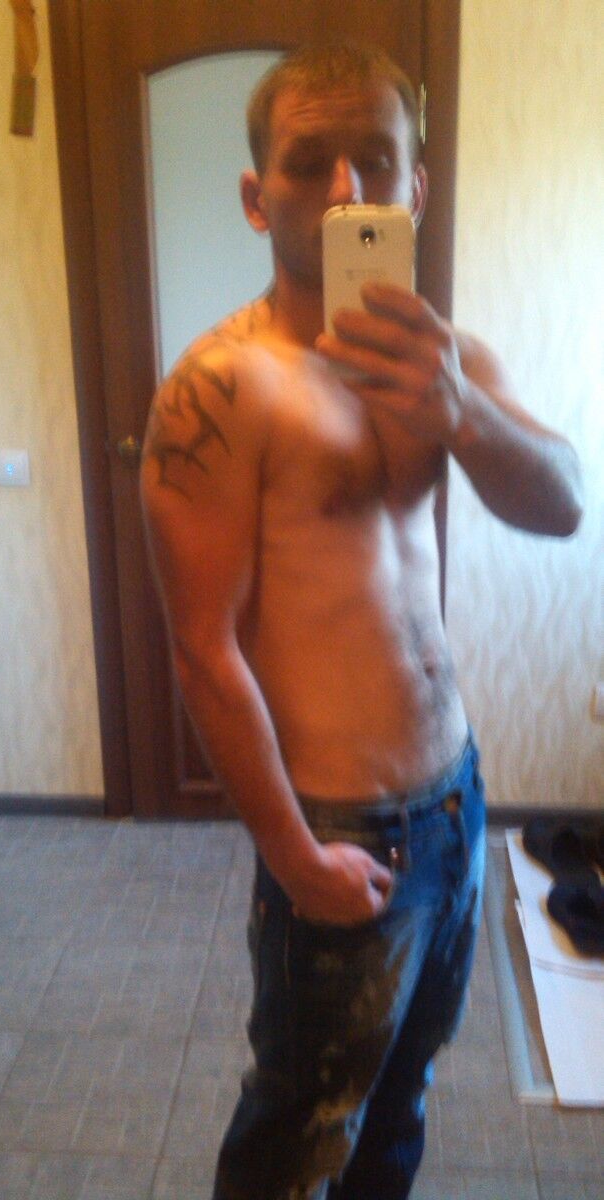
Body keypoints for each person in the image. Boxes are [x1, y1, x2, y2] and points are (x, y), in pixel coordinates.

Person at [140, 43, 583, 1200]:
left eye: (375, 161)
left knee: (401, 1100)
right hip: (339, 826)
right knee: (300, 1125)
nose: (345, 190)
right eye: (309, 164)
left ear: (415, 188)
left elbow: (563, 503)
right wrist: (295, 857)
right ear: (256, 197)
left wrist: (460, 409)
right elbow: (203, 650)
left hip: (455, 796)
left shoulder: (449, 360)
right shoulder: (221, 388)